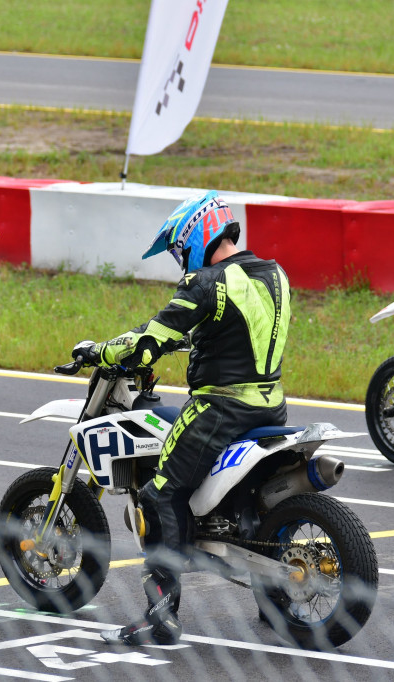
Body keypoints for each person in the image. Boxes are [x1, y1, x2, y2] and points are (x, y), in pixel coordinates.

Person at [72, 191, 291, 645]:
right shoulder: (275, 273)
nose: (178, 259)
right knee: (251, 498)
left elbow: (147, 340)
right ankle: (278, 602)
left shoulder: (206, 283)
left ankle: (160, 614)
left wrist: (100, 351)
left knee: (160, 493)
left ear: (196, 234)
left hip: (221, 408)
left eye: (177, 249)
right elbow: (235, 332)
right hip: (272, 403)